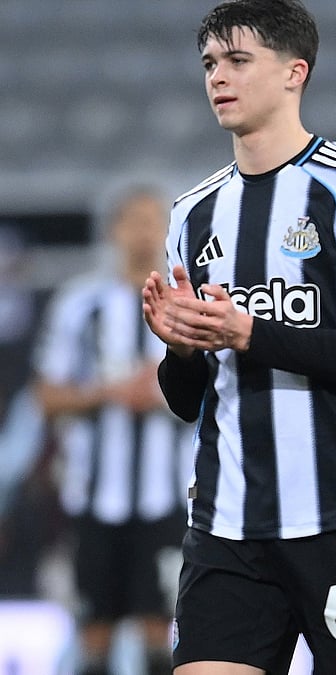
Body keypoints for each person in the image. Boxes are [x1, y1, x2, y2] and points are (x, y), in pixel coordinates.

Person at [139, 1, 336, 672]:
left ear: (295, 72)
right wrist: (182, 349)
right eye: (210, 63)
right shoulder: (193, 212)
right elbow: (189, 400)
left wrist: (248, 330)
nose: (218, 77)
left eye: (239, 61)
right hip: (227, 526)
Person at [32, 184, 188, 675]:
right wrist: (108, 393)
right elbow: (47, 396)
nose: (144, 233)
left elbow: (218, 396)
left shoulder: (187, 304)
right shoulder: (80, 305)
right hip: (93, 501)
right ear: (113, 231)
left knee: (159, 632)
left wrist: (161, 396)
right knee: (94, 633)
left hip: (166, 499)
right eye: (134, 221)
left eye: (153, 221)